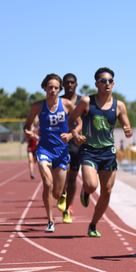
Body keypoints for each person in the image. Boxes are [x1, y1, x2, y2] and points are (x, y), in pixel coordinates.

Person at [68, 67, 133, 237]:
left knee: (107, 192)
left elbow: (127, 126)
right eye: (103, 81)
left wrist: (128, 131)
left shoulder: (119, 105)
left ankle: (93, 225)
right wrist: (75, 133)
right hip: (89, 151)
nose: (107, 84)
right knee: (91, 185)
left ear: (113, 83)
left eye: (110, 81)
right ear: (96, 84)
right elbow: (71, 119)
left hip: (108, 153)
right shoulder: (86, 102)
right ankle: (86, 190)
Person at [24, 74, 80, 233]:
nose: (53, 90)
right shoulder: (37, 107)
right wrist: (28, 132)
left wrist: (70, 135)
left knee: (56, 193)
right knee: (47, 184)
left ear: (59, 89)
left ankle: (61, 195)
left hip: (61, 152)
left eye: (56, 88)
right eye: (50, 87)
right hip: (44, 150)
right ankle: (50, 221)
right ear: (44, 88)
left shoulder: (68, 105)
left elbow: (79, 124)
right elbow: (27, 125)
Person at [58, 73, 82, 224]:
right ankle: (61, 193)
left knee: (72, 177)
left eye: (72, 83)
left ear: (76, 84)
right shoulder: (58, 101)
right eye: (67, 83)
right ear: (63, 85)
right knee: (62, 173)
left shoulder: (82, 102)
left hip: (76, 144)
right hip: (60, 142)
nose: (70, 85)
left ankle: (68, 209)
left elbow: (85, 122)